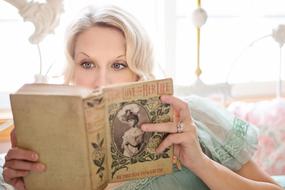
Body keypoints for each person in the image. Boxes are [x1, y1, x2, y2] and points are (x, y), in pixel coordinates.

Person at [2, 5, 282, 190]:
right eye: (87, 64)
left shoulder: (191, 120)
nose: (101, 81)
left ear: (138, 72)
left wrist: (200, 163)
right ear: (72, 69)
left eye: (118, 65)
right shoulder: (49, 145)